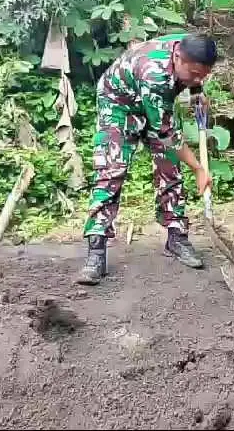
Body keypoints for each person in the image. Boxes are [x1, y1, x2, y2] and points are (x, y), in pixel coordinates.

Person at [77, 33, 216, 285]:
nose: (198, 79)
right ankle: (96, 252)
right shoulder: (156, 75)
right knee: (111, 172)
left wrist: (197, 92)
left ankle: (177, 237)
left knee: (170, 168)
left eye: (203, 75)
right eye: (194, 73)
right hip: (119, 105)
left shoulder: (190, 45)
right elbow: (167, 134)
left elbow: (193, 76)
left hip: (153, 101)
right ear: (177, 57)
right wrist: (198, 168)